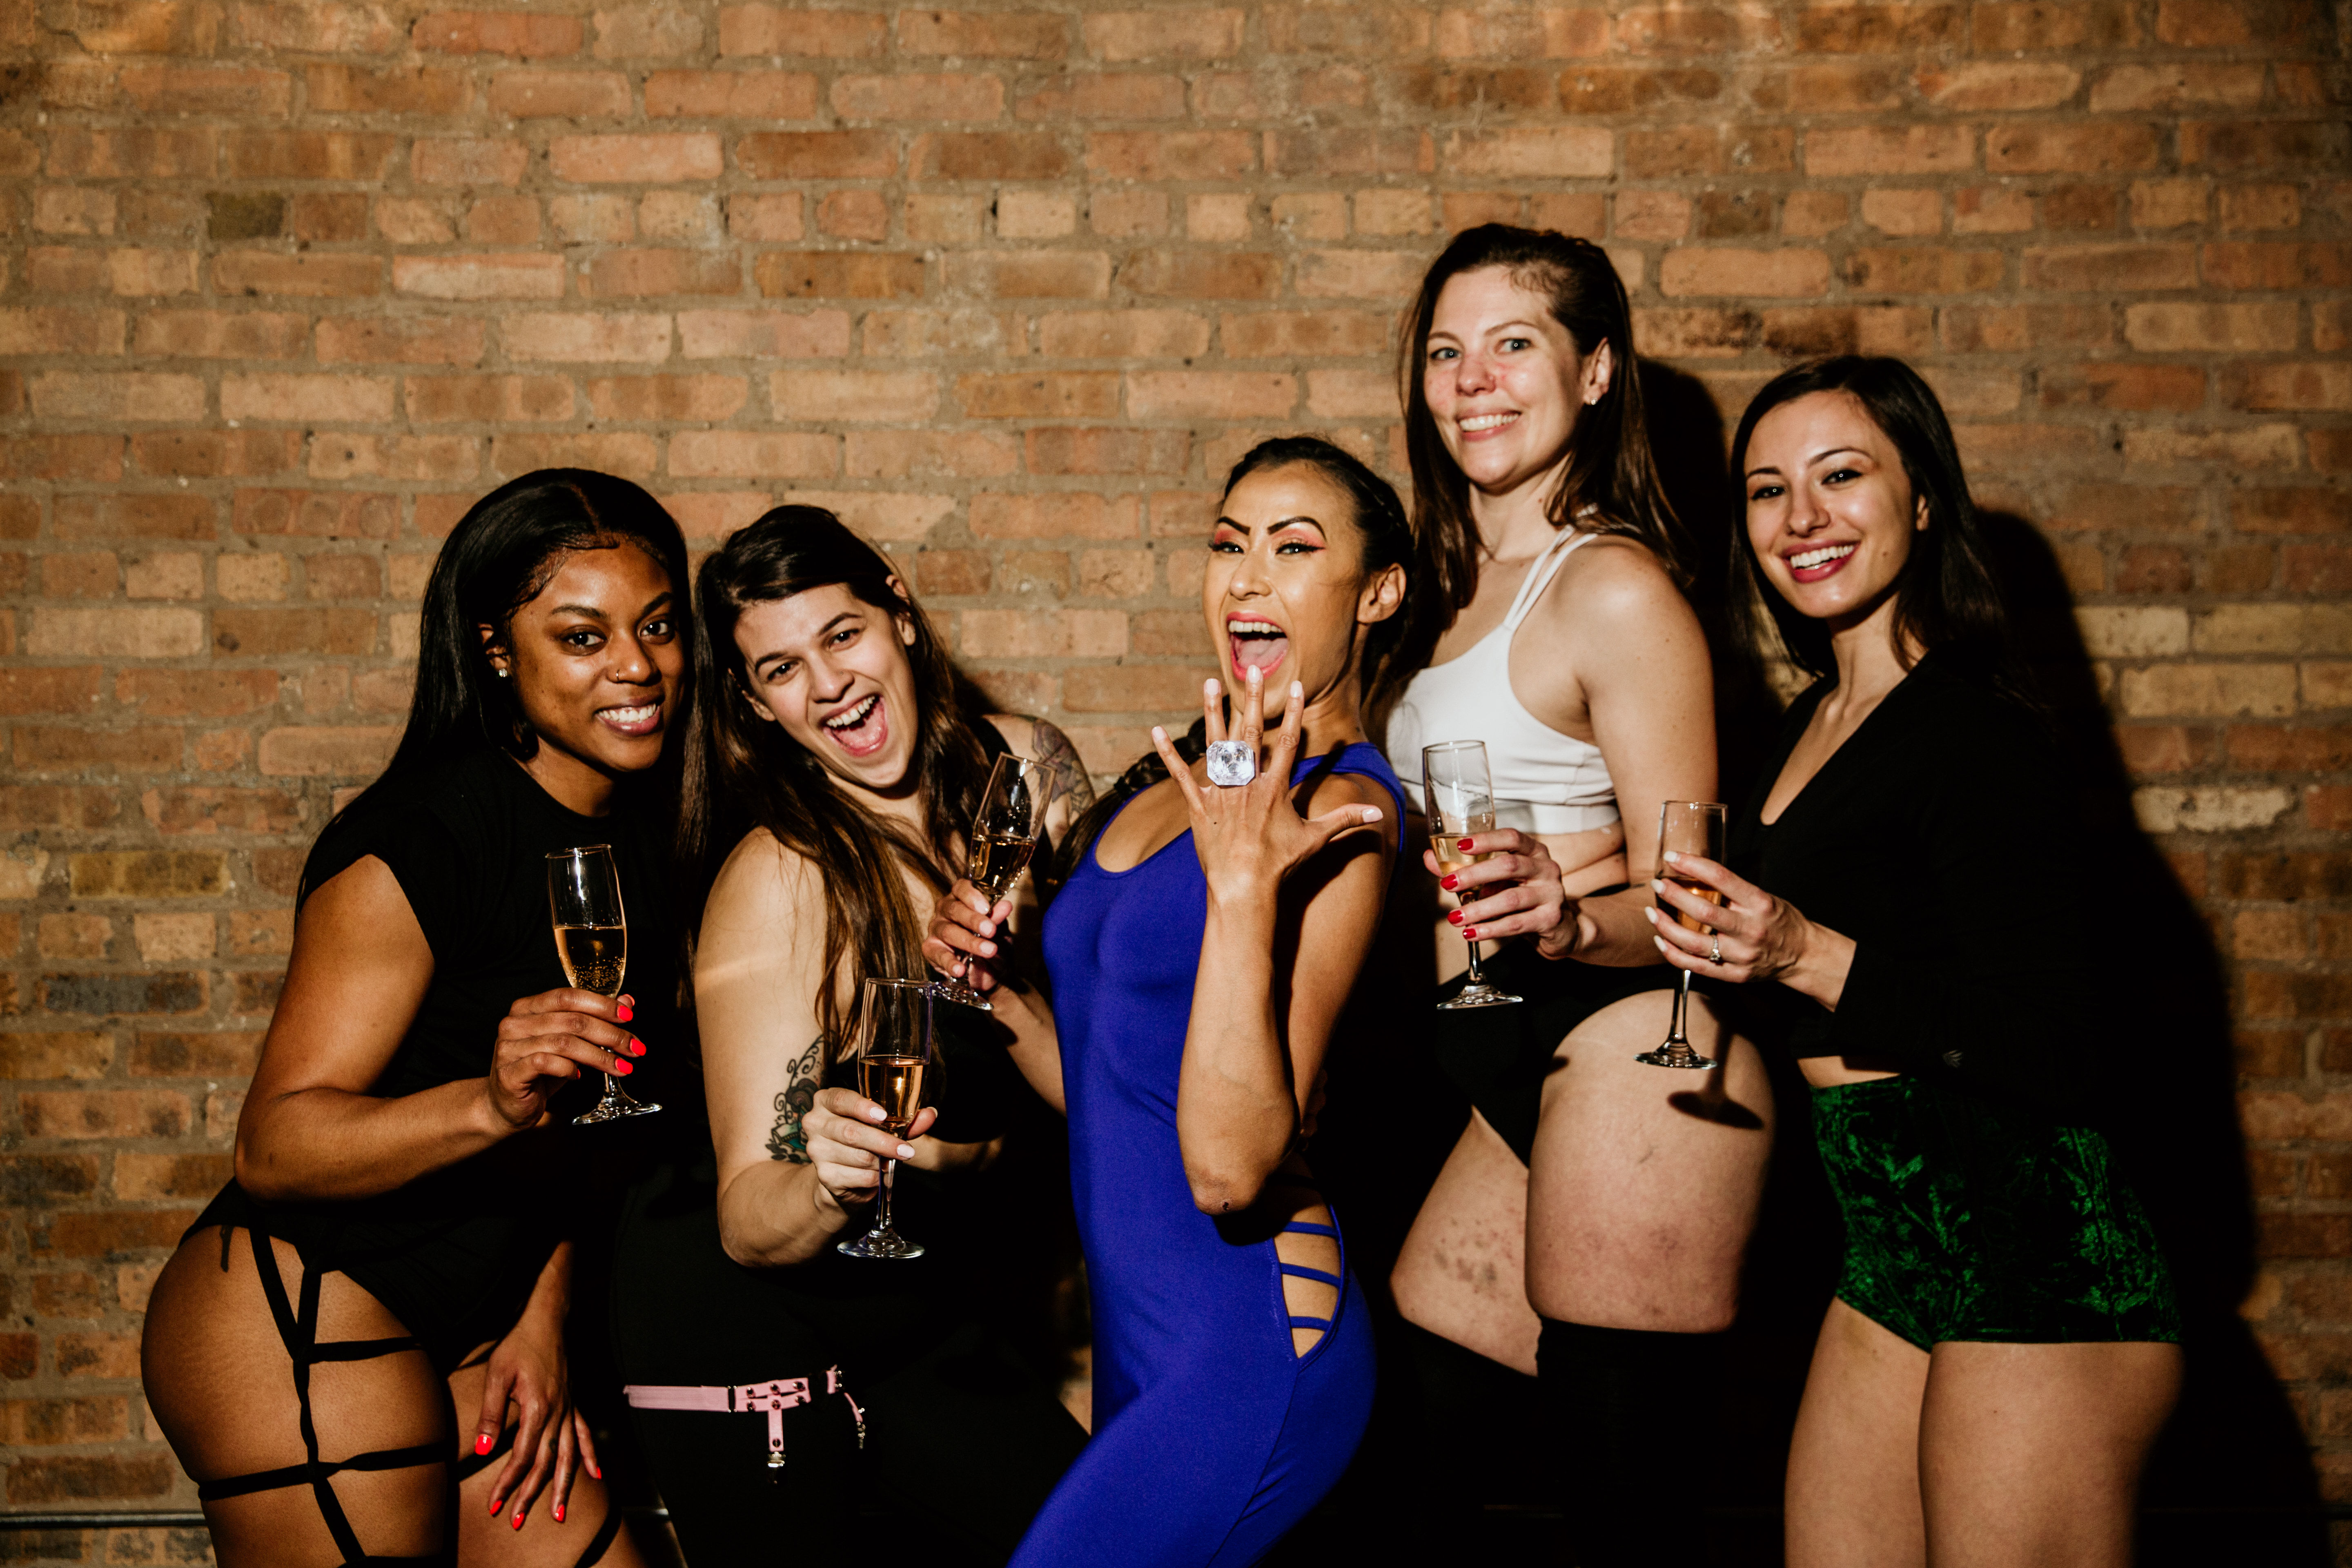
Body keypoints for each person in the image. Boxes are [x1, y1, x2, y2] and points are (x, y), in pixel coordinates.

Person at [1653, 356, 2182, 1565]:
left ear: (1925, 498)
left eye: (1843, 476)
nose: (1803, 519)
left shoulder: (1980, 728)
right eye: (1767, 490)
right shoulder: (1801, 725)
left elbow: (2062, 1043)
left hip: (2037, 1261)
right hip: (1891, 1253)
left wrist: (1800, 948)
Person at [140, 470, 692, 1566]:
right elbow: (276, 1146)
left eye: (658, 627)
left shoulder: (647, 839)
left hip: (482, 1327)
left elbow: (590, 1145)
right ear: (496, 649)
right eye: (583, 637)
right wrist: (489, 1105)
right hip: (307, 1309)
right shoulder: (423, 838)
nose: (636, 667)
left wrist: (541, 1322)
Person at [929, 437, 1412, 1566]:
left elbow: (1230, 1167)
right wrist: (993, 990)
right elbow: (1110, 1088)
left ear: (1378, 592)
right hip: (1137, 1330)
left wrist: (1243, 890)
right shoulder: (1177, 784)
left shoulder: (1346, 811)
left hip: (1247, 1336)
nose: (1247, 577)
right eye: (1227, 544)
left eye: (1296, 548)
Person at [1379, 223, 1771, 1562]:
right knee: (1430, 1411)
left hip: (1621, 1041)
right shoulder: (1450, 586)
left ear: (1596, 372)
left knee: (1622, 1501)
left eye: (1514, 344)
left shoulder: (1610, 587)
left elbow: (1696, 892)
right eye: (1445, 350)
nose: (1471, 380)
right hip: (1503, 1047)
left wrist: (1562, 915)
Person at [607, 505, 1090, 1565]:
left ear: (901, 616)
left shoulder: (1028, 776)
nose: (827, 686)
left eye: (842, 635)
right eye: (780, 669)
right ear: (754, 705)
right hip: (744, 1321)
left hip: (916, 1309)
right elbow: (748, 1216)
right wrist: (826, 1179)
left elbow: (1092, 1071)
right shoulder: (780, 880)